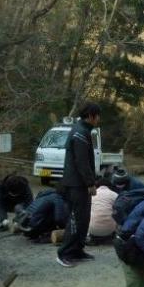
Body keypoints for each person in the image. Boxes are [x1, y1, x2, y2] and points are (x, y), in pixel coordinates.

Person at [57, 103, 101, 267]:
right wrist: (90, 183)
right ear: (91, 115)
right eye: (97, 115)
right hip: (76, 184)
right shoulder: (80, 133)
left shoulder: (83, 131)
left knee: (84, 219)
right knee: (76, 219)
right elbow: (81, 161)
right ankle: (64, 253)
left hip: (79, 183)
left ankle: (77, 250)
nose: (99, 119)